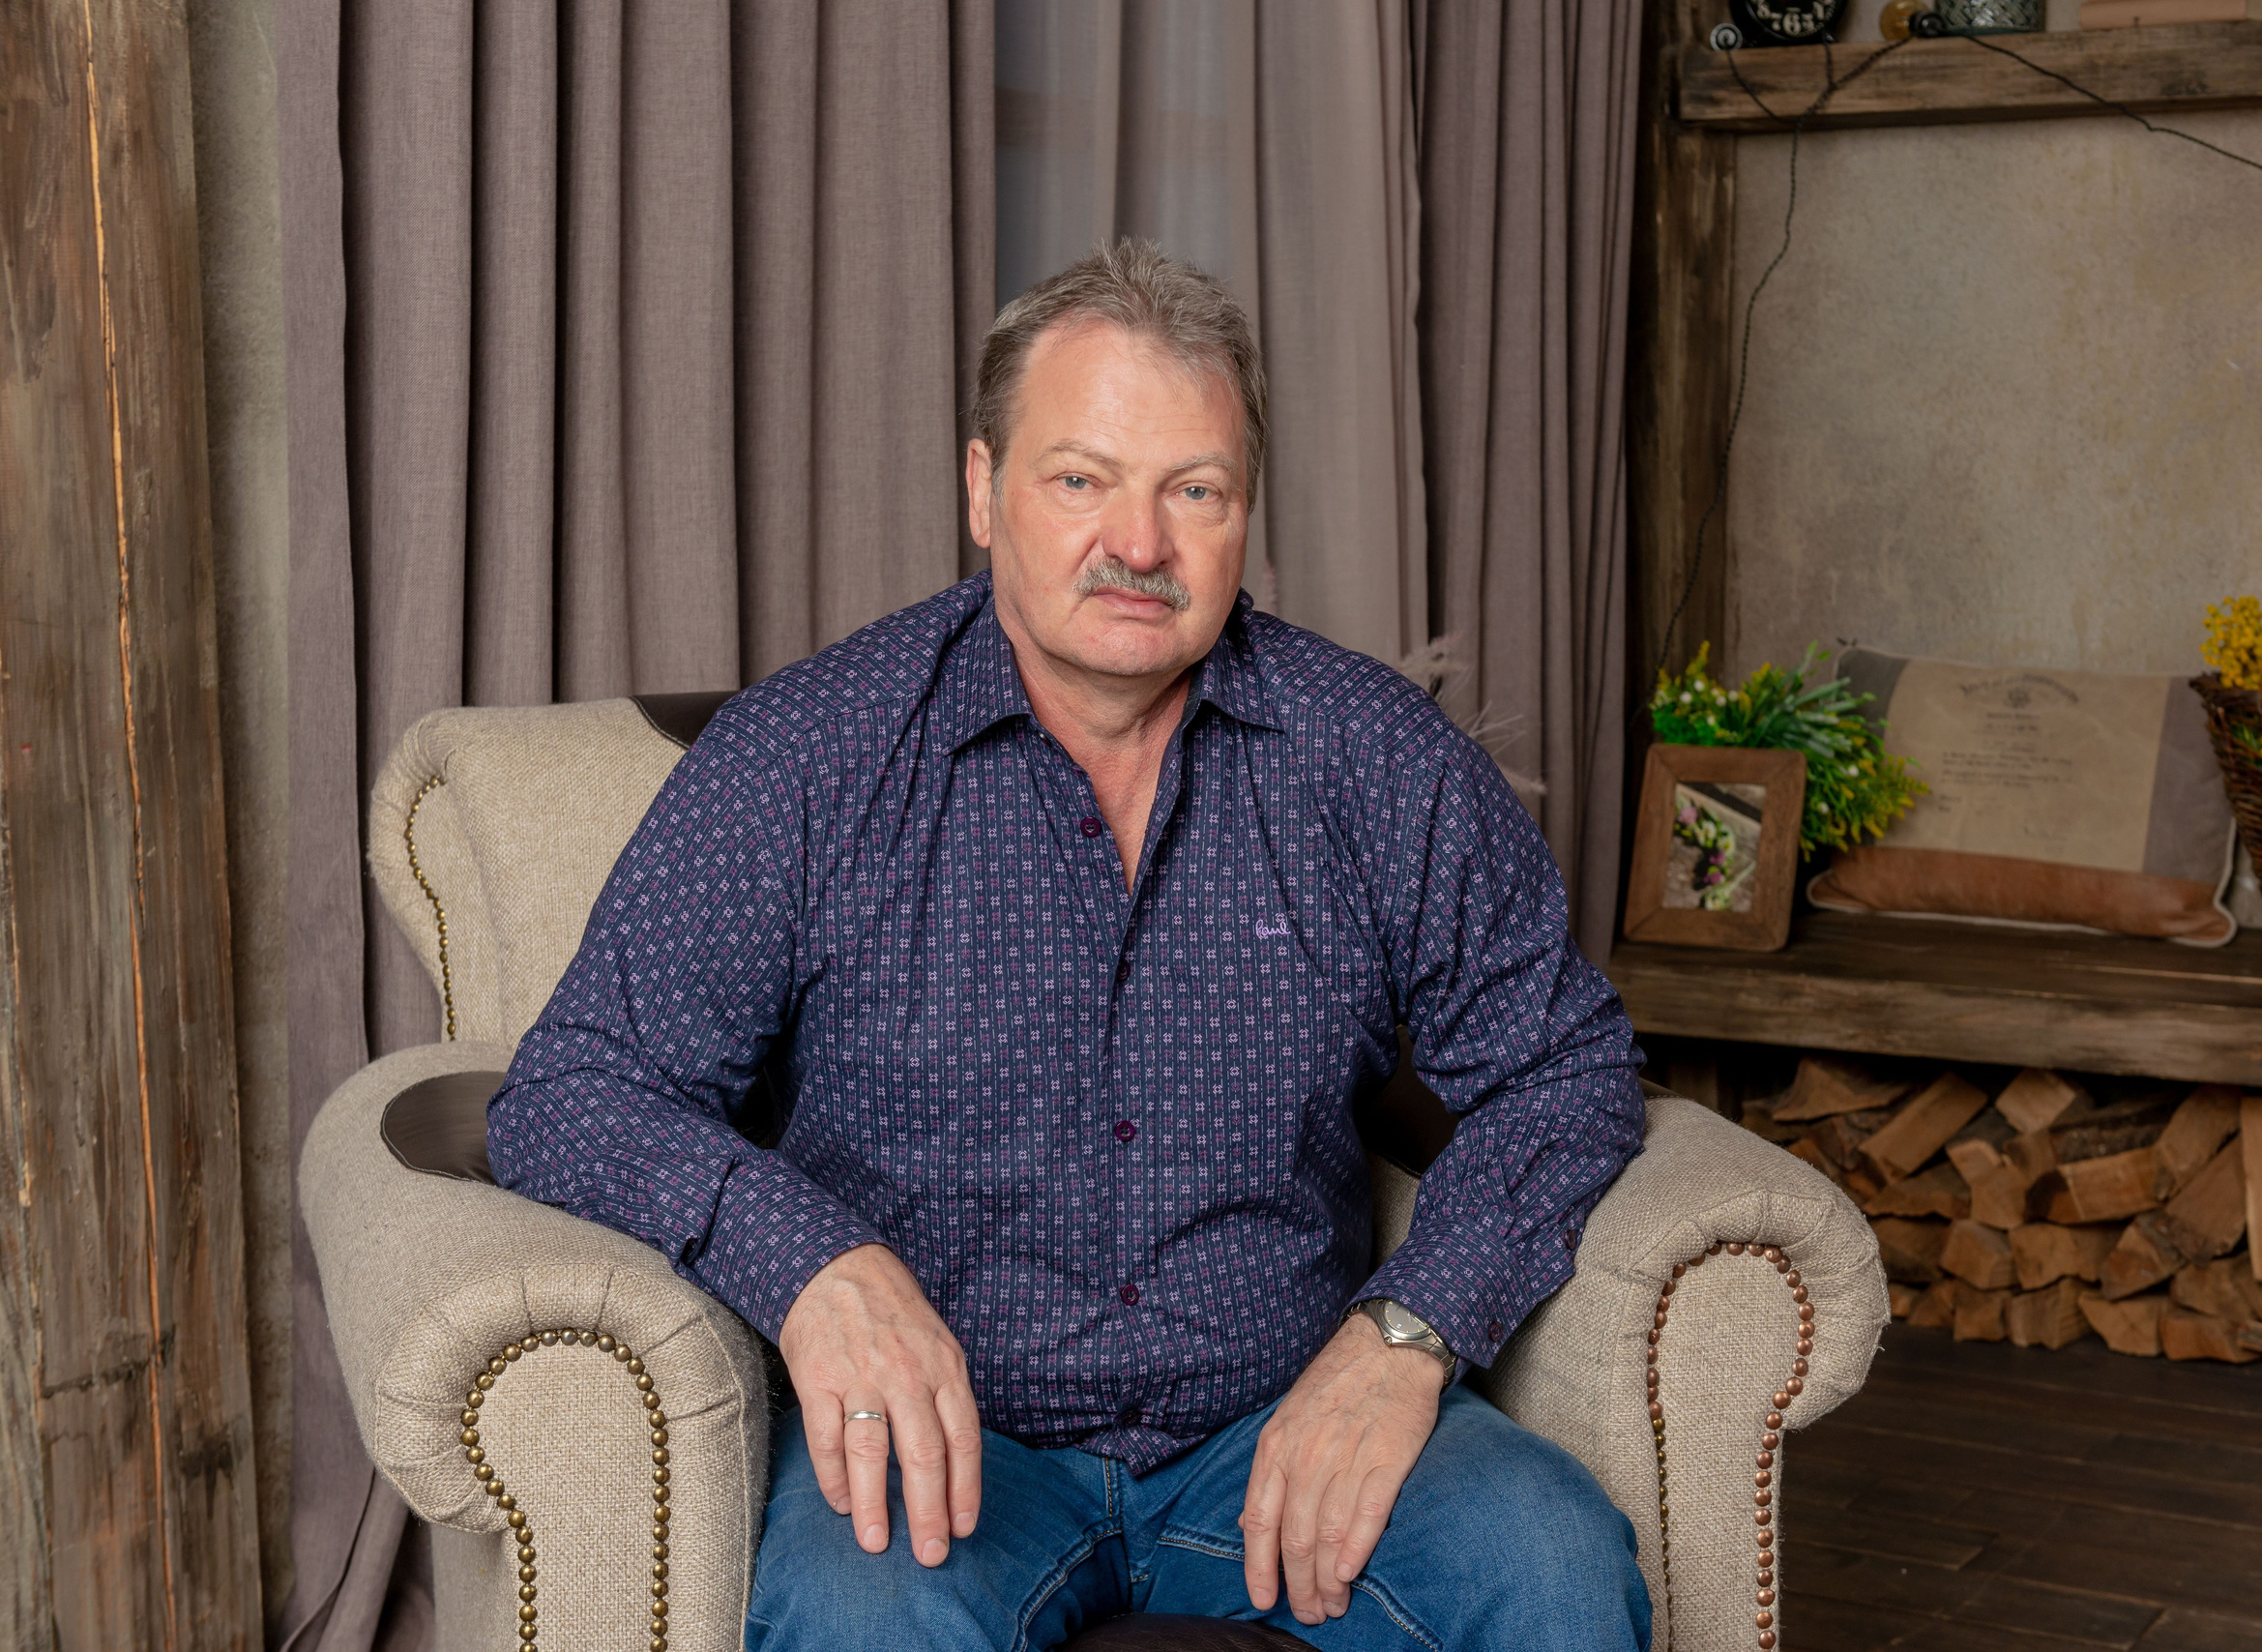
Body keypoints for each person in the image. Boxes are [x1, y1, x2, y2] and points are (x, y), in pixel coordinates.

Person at [489, 240, 1655, 1651]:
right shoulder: (806, 758)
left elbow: (1566, 1066)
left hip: (1279, 1417)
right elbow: (571, 1090)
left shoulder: (1373, 757)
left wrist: (1409, 1333)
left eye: (1195, 490)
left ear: (1246, 512)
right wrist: (809, 1264)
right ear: (983, 490)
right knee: (862, 1621)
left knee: (1552, 1564)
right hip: (947, 1445)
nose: (1141, 545)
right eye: (1082, 479)